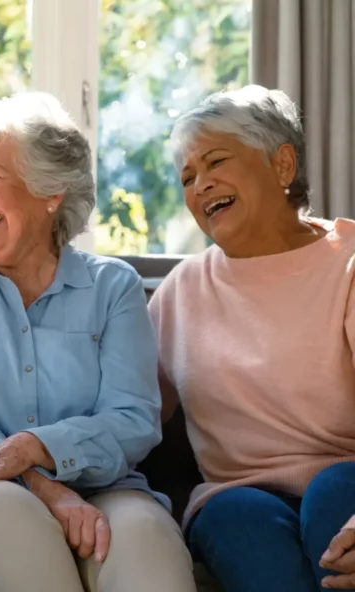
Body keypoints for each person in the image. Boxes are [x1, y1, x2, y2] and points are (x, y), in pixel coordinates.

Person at [0, 93, 196, 592]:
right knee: (16, 533)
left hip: (106, 486)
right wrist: (36, 479)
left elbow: (133, 417)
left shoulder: (112, 287)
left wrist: (36, 447)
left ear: (50, 192)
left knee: (150, 556)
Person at [151, 84, 355, 592]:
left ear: (282, 165)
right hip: (236, 495)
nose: (200, 185)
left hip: (347, 483)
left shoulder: (348, 266)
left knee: (335, 493)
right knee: (236, 517)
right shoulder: (182, 290)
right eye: (187, 177)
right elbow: (128, 412)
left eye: (216, 162)